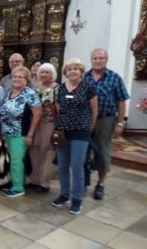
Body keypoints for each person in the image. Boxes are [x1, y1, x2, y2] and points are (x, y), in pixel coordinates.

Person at [51, 58, 97, 214]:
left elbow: (94, 110)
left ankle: (77, 199)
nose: (72, 72)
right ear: (65, 72)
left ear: (81, 71)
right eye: (69, 69)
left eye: (75, 69)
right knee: (62, 166)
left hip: (81, 131)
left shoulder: (88, 87)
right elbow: (58, 108)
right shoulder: (61, 88)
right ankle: (64, 195)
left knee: (77, 166)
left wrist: (90, 128)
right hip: (63, 131)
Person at [83, 48, 130, 200]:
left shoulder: (115, 78)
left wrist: (120, 123)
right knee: (84, 150)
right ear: (91, 60)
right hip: (86, 118)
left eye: (100, 58)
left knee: (102, 152)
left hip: (106, 119)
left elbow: (122, 101)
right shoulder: (84, 77)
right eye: (95, 58)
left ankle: (101, 184)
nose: (97, 61)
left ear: (106, 60)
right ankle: (83, 181)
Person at [0, 66, 42, 198]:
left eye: (20, 77)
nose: (17, 79)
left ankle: (18, 188)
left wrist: (30, 134)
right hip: (8, 133)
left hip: (20, 133)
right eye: (15, 77)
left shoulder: (30, 94)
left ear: (26, 80)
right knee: (14, 160)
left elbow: (37, 114)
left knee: (17, 160)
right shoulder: (9, 93)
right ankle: (15, 182)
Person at [28, 63, 58, 193]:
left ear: (52, 74)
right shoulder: (35, 87)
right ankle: (35, 180)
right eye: (42, 72)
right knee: (34, 150)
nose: (44, 75)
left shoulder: (57, 88)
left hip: (49, 122)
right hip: (35, 122)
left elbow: (59, 108)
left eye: (47, 72)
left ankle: (45, 182)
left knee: (46, 150)